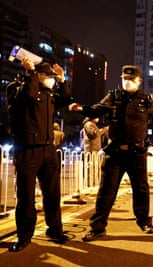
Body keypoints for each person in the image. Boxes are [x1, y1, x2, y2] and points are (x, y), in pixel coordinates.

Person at [69, 65, 153, 241]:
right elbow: (96, 109)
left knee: (141, 189)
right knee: (106, 191)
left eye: (131, 79)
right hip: (114, 152)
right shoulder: (113, 97)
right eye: (124, 79)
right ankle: (98, 227)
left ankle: (144, 221)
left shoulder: (146, 100)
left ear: (139, 81)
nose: (127, 82)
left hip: (136, 153)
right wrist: (80, 108)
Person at [6, 58, 71, 252]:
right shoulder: (17, 88)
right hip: (27, 150)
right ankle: (24, 236)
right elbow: (28, 96)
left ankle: (55, 229)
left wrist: (62, 80)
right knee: (26, 196)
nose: (51, 80)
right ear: (39, 76)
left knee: (52, 193)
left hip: (47, 150)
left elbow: (66, 99)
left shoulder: (48, 93)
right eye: (49, 77)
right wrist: (31, 74)